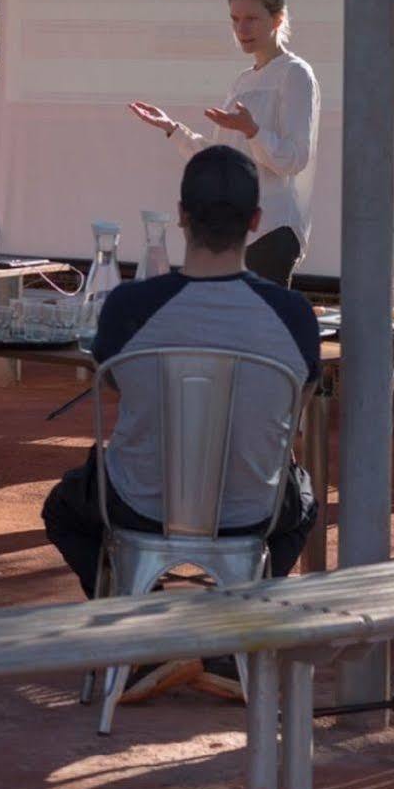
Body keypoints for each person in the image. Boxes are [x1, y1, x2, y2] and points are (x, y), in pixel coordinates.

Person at [40, 144, 320, 703]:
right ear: (257, 223)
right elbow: (299, 402)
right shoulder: (294, 316)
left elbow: (116, 381)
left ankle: (142, 639)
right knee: (303, 504)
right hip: (251, 511)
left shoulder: (129, 306)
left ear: (182, 215)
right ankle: (232, 644)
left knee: (63, 509)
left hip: (138, 503)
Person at [127, 0, 319, 287]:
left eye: (252, 19)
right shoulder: (243, 80)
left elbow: (294, 160)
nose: (242, 29)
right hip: (237, 231)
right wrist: (173, 129)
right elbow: (226, 160)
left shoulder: (295, 74)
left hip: (273, 231)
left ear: (277, 19)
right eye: (235, 19)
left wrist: (254, 131)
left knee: (258, 330)